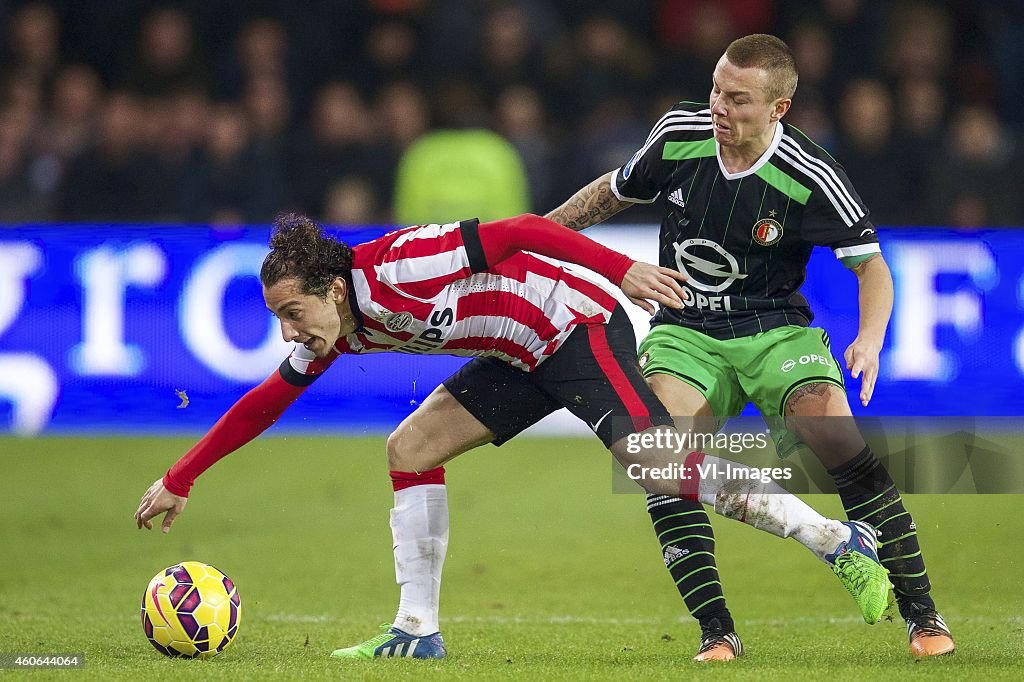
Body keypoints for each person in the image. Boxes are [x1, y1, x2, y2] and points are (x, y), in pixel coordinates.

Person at [135, 211, 889, 660]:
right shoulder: (333, 328)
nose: (288, 331)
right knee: (410, 448)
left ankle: (836, 539)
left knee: (660, 465)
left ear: (331, 289)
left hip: (576, 322)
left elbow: (524, 230)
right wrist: (183, 473)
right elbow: (267, 401)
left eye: (291, 313)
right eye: (280, 320)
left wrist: (622, 267)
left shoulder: (400, 265)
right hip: (518, 353)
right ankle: (416, 630)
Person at [545, 34, 954, 659]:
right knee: (661, 457)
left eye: (737, 98)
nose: (719, 106)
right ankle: (718, 633)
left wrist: (869, 339)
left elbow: (871, 266)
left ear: (778, 108)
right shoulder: (678, 136)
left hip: (775, 330)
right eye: (716, 89)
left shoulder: (809, 174)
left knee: (835, 437)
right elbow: (612, 191)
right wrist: (539, 234)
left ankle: (923, 618)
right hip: (688, 329)